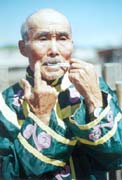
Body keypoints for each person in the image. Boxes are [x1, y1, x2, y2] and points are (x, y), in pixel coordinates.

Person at [0, 8, 122, 180]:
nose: (54, 50)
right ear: (22, 47)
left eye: (63, 39)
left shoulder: (93, 87)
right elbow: (8, 174)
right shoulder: (5, 104)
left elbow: (117, 158)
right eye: (42, 39)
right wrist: (40, 118)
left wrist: (94, 100)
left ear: (72, 44)